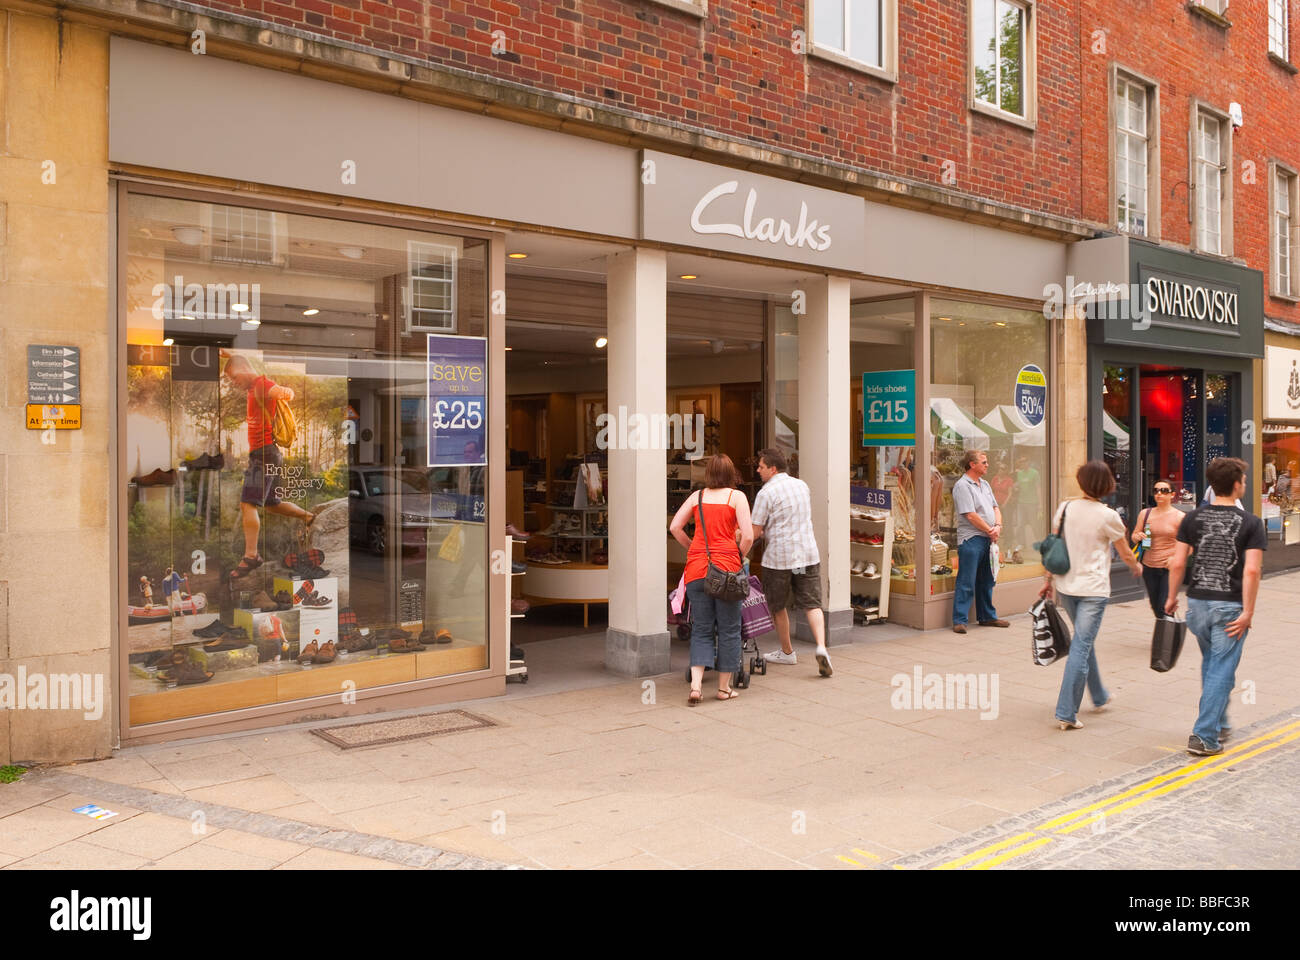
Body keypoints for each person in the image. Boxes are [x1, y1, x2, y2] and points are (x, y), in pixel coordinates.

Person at [1164, 457, 1267, 757]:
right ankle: (1204, 735)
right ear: (1236, 486)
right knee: (1222, 669)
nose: (1244, 485)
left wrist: (1171, 597)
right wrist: (1248, 611)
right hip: (1229, 607)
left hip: (1197, 604)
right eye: (1244, 481)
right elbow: (1251, 571)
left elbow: (1178, 562)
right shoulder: (1251, 523)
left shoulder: (1192, 518)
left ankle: (1220, 723)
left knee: (1212, 663)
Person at [1042, 460, 1142, 730]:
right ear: (1107, 484)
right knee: (1082, 646)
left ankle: (1098, 695)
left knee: (1083, 641)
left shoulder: (1065, 508)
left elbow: (1054, 546)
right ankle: (1066, 712)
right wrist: (1136, 566)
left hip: (1066, 586)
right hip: (1093, 590)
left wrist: (1047, 580)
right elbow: (1124, 552)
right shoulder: (1108, 516)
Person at [668, 454, 753, 704]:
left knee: (702, 629)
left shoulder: (698, 497)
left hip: (697, 569)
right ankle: (724, 688)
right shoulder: (736, 497)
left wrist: (692, 548)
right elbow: (747, 536)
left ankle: (695, 686)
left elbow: (675, 527)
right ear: (730, 473)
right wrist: (737, 555)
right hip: (726, 570)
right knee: (728, 630)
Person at [223, 355, 315, 579]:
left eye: (234, 378)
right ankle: (309, 517)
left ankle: (251, 556)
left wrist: (286, 392)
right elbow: (239, 359)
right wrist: (227, 353)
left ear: (244, 369)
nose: (234, 383)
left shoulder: (262, 384)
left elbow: (279, 391)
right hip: (266, 454)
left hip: (264, 455)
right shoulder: (253, 385)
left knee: (248, 504)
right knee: (272, 504)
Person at [751, 448, 833, 677]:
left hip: (779, 559)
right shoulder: (801, 485)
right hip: (806, 555)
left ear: (773, 468)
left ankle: (787, 652)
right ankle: (821, 647)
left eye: (761, 467)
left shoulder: (765, 493)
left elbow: (755, 531)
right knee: (811, 603)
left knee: (777, 606)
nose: (758, 470)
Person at [950, 449, 1009, 634]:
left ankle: (987, 616)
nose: (987, 464)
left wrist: (997, 526)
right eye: (983, 462)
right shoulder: (962, 486)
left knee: (987, 580)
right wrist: (990, 530)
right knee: (966, 580)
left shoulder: (984, 484)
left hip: (988, 538)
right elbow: (970, 515)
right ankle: (960, 620)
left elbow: (995, 507)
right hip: (972, 539)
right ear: (972, 464)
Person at [1129, 480, 1183, 618]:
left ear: (1172, 495)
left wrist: (1175, 559)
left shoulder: (1180, 517)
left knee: (1163, 606)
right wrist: (1138, 536)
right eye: (1156, 490)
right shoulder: (1145, 514)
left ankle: (1168, 637)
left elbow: (1189, 545)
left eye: (1164, 491)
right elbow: (1134, 536)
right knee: (1155, 606)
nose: (1159, 494)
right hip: (1149, 566)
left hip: (1169, 568)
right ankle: (1167, 634)